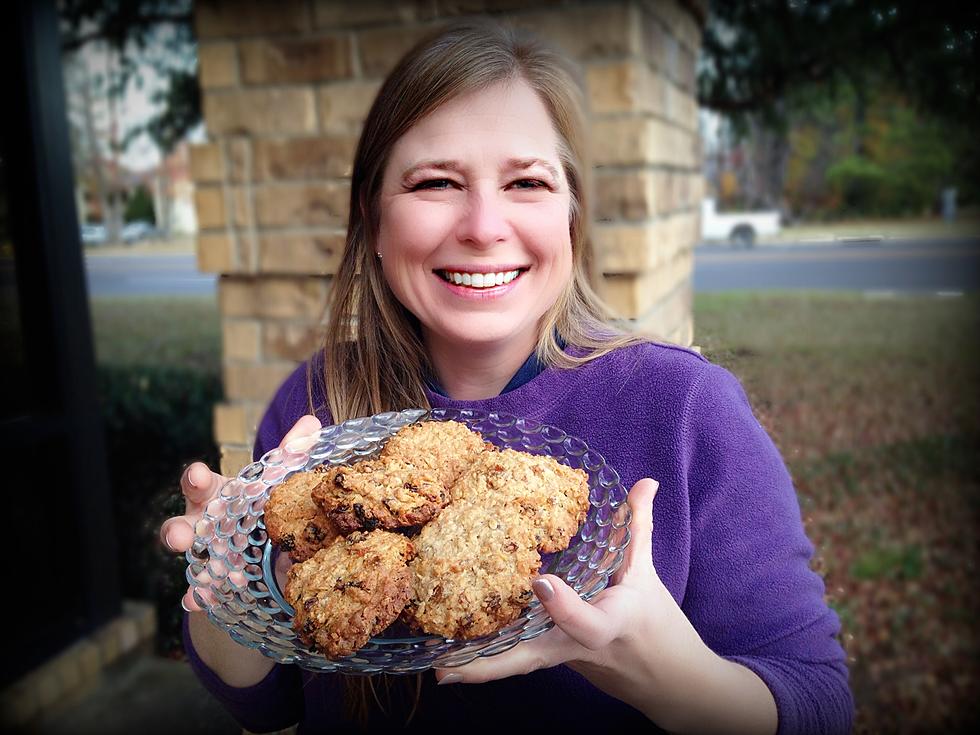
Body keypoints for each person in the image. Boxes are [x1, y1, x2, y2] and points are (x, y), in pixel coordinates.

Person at [160, 19, 853, 734]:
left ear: (572, 215)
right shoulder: (315, 409)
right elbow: (265, 701)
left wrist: (667, 676)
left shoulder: (682, 409)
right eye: (435, 182)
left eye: (527, 181)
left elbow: (819, 703)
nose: (484, 225)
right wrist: (226, 596)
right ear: (372, 214)